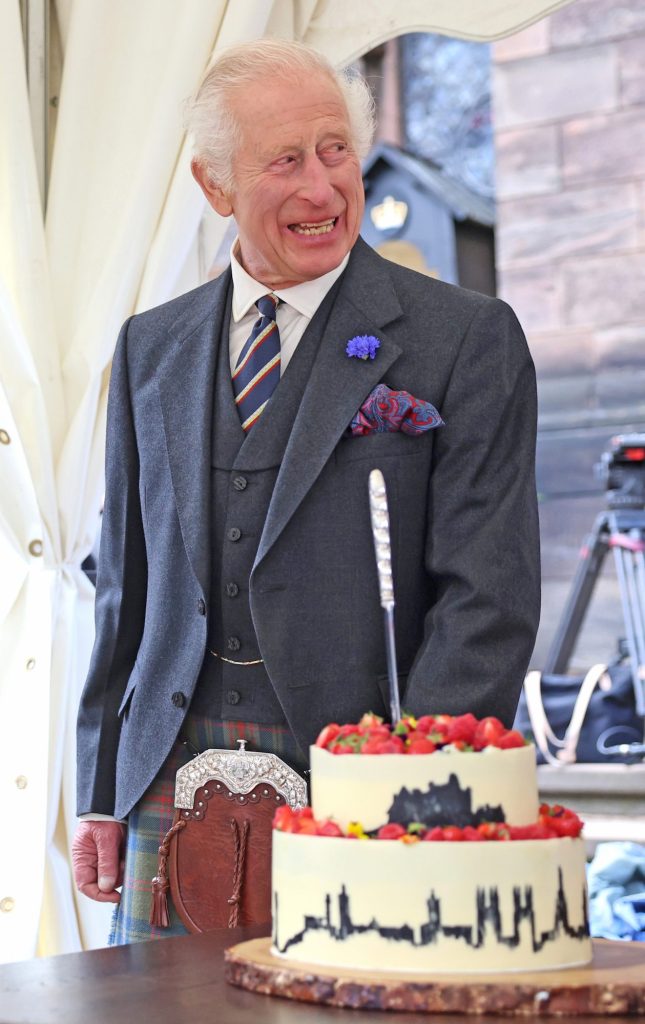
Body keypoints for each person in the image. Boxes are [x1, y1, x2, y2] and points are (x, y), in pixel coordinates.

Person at [72, 39, 540, 943]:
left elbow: (488, 596)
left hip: (366, 787)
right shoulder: (148, 348)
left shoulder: (463, 339)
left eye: (334, 151)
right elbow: (125, 585)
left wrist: (421, 794)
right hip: (167, 783)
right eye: (284, 161)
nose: (322, 189)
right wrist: (100, 788)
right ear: (215, 187)